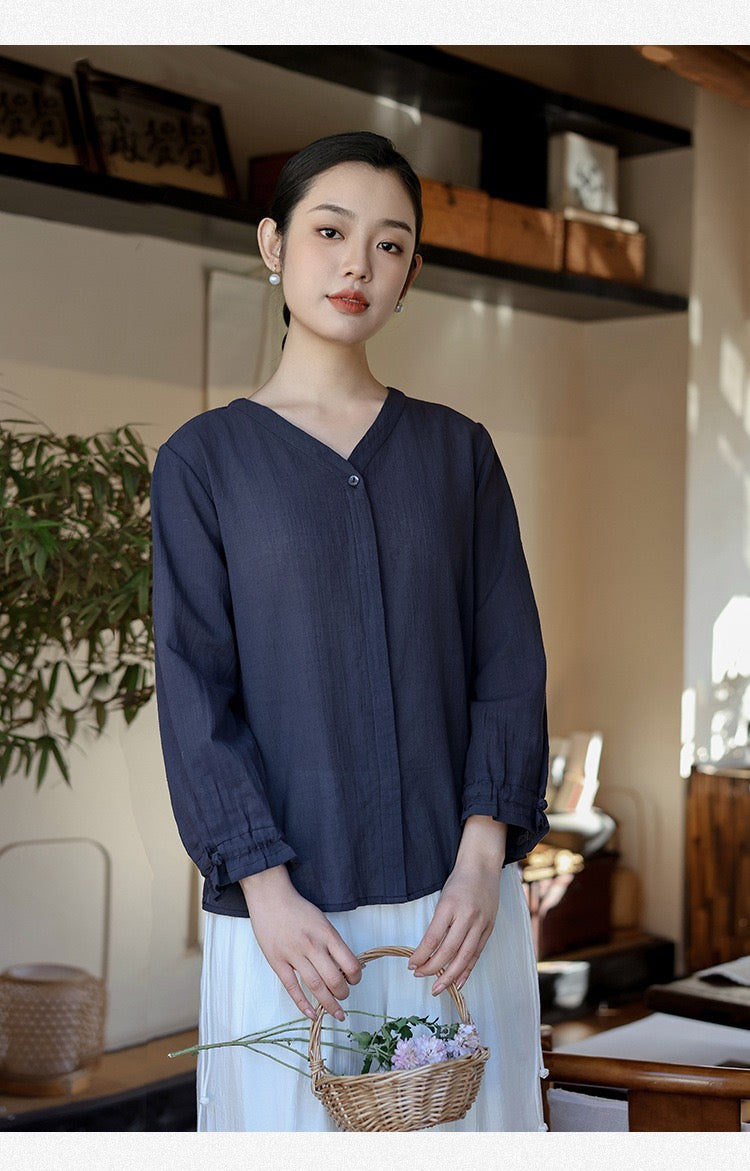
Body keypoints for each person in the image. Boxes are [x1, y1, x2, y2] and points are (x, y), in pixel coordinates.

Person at [151, 130, 550, 1132]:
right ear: (273, 244)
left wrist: (482, 862)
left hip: (455, 911)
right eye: (330, 231)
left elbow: (509, 665)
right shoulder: (204, 462)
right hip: (291, 922)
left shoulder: (460, 455)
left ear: (410, 274)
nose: (358, 264)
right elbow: (195, 692)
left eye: (390, 243)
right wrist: (266, 889)